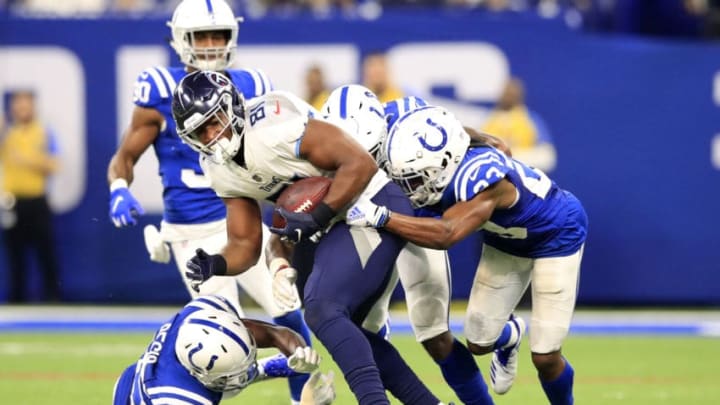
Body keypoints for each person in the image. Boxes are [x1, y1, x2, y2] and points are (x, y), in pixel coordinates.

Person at [171, 71, 445, 405]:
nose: (212, 135)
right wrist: (217, 262)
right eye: (201, 132)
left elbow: (358, 163)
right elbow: (246, 243)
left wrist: (317, 216)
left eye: (214, 122)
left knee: (322, 308)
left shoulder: (273, 126)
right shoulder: (218, 168)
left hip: (368, 203)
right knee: (348, 330)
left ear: (232, 106)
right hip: (325, 226)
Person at [105, 1, 312, 402]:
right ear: (183, 40)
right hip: (192, 230)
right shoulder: (160, 90)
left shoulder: (251, 84)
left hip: (243, 219)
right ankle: (260, 372)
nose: (212, 45)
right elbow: (125, 157)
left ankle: (303, 397)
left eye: (219, 35)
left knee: (288, 307)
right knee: (220, 337)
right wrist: (118, 188)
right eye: (203, 36)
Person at [347, 105, 587, 405]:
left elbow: (447, 234)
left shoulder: (482, 180)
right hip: (506, 241)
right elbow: (485, 141)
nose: (411, 189)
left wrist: (382, 217)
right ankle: (509, 336)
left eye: (417, 180)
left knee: (545, 355)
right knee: (478, 342)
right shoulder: (447, 151)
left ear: (443, 166)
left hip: (556, 235)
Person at [320, 85, 495, 405]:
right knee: (358, 329)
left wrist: (486, 146)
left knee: (434, 335)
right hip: (365, 226)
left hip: (414, 221)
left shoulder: (407, 121)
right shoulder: (318, 142)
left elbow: (466, 138)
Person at [112, 294, 335, 405]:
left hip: (140, 375)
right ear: (203, 378)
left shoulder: (203, 313)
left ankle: (267, 368)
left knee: (231, 371)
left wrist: (299, 353)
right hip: (136, 395)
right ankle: (266, 368)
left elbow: (274, 334)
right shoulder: (184, 399)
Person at [0, 90, 62, 303]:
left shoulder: (43, 133)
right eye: (18, 106)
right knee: (14, 253)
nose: (22, 110)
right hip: (13, 202)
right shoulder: (7, 134)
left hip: (37, 200)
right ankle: (17, 297)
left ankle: (52, 296)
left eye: (25, 105)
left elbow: (55, 164)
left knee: (45, 251)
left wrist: (27, 160)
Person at [480, 76, 557, 173]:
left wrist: (515, 158)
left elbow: (548, 156)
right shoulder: (487, 120)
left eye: (513, 94)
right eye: (507, 93)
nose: (509, 96)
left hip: (524, 175)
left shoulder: (531, 120)